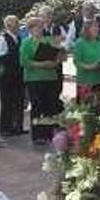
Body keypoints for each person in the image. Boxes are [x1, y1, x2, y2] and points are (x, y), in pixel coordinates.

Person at [20, 17, 63, 145]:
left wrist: (55, 61)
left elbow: (60, 55)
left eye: (41, 26)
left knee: (49, 106)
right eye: (37, 26)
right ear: (31, 29)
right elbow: (24, 61)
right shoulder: (26, 42)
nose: (40, 29)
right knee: (37, 107)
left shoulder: (49, 40)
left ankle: (48, 134)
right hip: (34, 79)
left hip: (50, 77)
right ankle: (37, 135)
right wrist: (42, 64)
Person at [0, 15, 26, 137]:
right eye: (15, 23)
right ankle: (5, 128)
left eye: (18, 23)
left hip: (19, 75)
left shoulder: (20, 38)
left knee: (19, 102)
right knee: (7, 102)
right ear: (8, 25)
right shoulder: (1, 40)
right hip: (6, 77)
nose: (18, 26)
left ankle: (18, 126)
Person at [72, 20, 100, 99]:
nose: (97, 29)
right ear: (87, 29)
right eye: (94, 27)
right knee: (86, 107)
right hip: (86, 80)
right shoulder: (80, 43)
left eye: (97, 26)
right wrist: (90, 67)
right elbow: (77, 61)